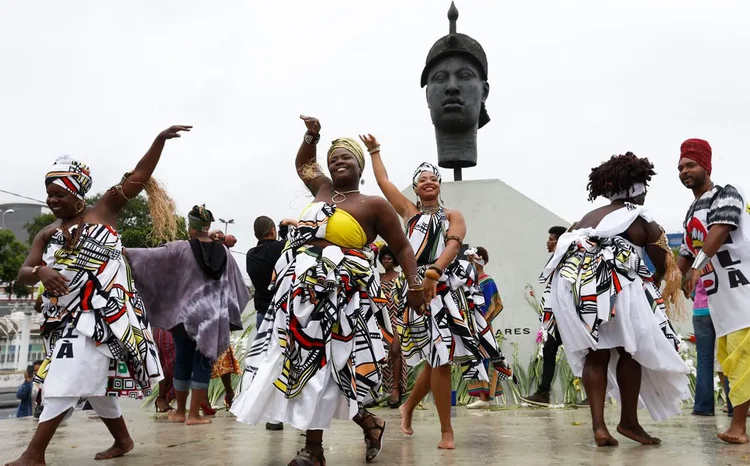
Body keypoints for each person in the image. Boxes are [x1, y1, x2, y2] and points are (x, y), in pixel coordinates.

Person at [231, 116, 425, 466]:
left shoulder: (373, 204)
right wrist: (313, 135)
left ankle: (315, 450)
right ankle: (367, 424)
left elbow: (404, 248)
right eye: (333, 157)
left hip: (343, 298)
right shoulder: (321, 190)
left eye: (346, 157)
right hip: (300, 295)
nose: (337, 161)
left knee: (327, 367)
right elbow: (303, 164)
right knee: (307, 366)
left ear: (359, 166)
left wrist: (415, 286)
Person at [9, 125, 189, 465]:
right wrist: (40, 272)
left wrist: (159, 141)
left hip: (104, 316)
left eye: (59, 194)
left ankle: (34, 455)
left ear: (77, 193)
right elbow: (23, 272)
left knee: (65, 377)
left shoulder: (103, 210)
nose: (52, 200)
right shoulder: (47, 234)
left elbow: (138, 177)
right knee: (91, 382)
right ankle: (123, 440)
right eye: (49, 194)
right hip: (64, 320)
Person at [364, 134, 511, 450]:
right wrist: (375, 151)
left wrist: (434, 271)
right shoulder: (408, 213)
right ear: (415, 188)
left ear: (440, 185)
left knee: (437, 359)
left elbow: (453, 244)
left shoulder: (452, 216)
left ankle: (411, 409)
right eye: (422, 179)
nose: (429, 182)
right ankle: (444, 429)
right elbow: (383, 181)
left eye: (434, 178)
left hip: (448, 292)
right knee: (439, 358)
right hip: (419, 294)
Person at [540, 152, 690, 447]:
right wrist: (653, 293)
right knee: (629, 351)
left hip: (577, 294)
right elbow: (663, 264)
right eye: (644, 186)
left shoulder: (583, 220)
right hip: (617, 291)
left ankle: (599, 427)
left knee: (597, 355)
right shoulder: (641, 218)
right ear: (636, 188)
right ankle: (629, 422)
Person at [127, 204, 248, 426]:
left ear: (191, 228)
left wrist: (126, 252)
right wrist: (226, 314)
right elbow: (237, 286)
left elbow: (150, 258)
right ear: (208, 226)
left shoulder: (179, 249)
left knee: (183, 358)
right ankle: (195, 415)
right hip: (210, 319)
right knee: (203, 361)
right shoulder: (224, 254)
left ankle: (181, 411)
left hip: (183, 316)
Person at [678, 138, 750, 444]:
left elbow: (721, 228)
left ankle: (739, 427)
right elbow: (684, 250)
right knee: (728, 363)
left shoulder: (727, 194)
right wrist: (670, 282)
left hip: (744, 294)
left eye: (690, 165)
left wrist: (696, 267)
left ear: (706, 165)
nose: (684, 171)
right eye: (680, 167)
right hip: (722, 302)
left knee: (743, 360)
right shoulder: (692, 209)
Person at [524, 226, 589, 407]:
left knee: (586, 352)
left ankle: (596, 394)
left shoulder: (571, 260)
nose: (548, 242)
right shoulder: (557, 260)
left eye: (552, 239)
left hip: (570, 315)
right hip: (558, 317)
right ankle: (543, 393)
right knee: (549, 349)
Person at [245, 215, 296, 431]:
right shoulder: (280, 247)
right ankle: (293, 412)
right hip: (283, 312)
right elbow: (291, 252)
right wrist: (289, 228)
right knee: (290, 361)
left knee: (269, 362)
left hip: (262, 313)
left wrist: (281, 235)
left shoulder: (250, 254)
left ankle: (273, 416)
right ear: (272, 230)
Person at [465, 247, 505, 409]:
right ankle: (482, 396)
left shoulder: (487, 281)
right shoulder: (469, 282)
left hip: (483, 326)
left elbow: (494, 303)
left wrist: (482, 322)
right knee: (475, 359)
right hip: (471, 325)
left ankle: (485, 397)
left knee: (485, 358)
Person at [377, 245, 408, 409]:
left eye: (389, 257)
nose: (386, 260)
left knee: (395, 351)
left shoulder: (400, 277)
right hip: (380, 321)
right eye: (383, 258)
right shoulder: (377, 278)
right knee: (379, 355)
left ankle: (396, 388)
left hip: (396, 319)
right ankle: (380, 390)